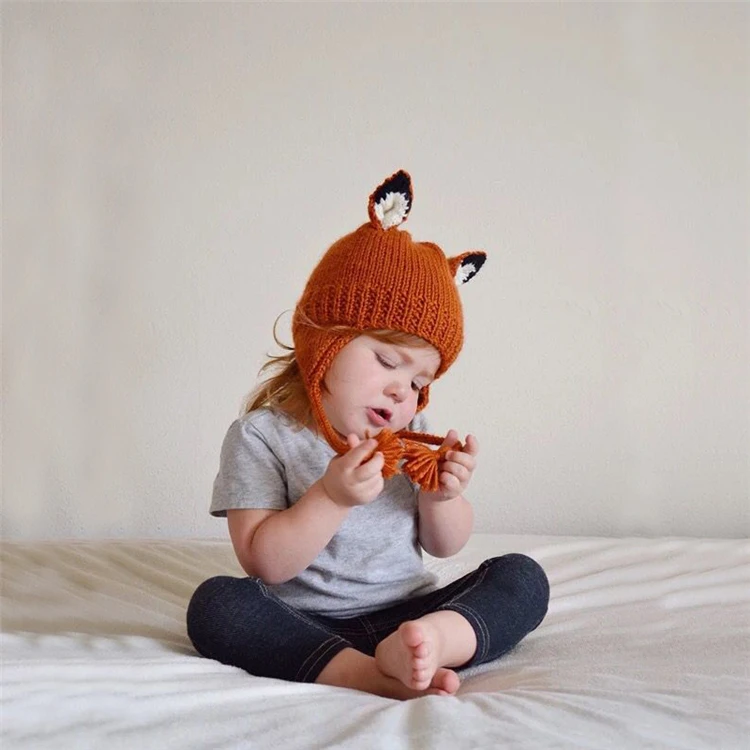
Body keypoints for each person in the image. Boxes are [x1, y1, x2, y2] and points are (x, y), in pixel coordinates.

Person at [186, 170, 549, 700]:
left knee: (523, 577)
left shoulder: (412, 433)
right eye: (387, 361)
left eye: (419, 383)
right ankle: (363, 674)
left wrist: (442, 497)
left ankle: (433, 642)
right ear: (323, 343)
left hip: (411, 614)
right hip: (304, 622)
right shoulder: (261, 437)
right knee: (216, 605)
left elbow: (443, 546)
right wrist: (331, 497)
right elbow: (265, 563)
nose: (402, 391)